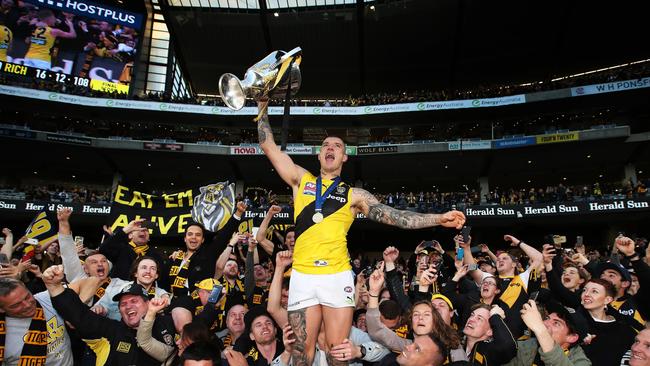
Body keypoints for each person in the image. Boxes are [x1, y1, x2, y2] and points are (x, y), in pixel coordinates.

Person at [256, 99, 465, 366]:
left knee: (338, 352)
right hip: (303, 275)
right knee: (301, 353)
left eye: (337, 146)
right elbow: (267, 145)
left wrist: (438, 218)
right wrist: (262, 107)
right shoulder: (300, 179)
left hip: (336, 275)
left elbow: (395, 217)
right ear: (319, 156)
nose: (330, 148)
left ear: (344, 157)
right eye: (325, 146)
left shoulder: (355, 195)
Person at [42, 265, 176, 365]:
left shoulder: (166, 324)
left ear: (148, 304)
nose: (128, 306)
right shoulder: (110, 331)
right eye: (123, 304)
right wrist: (55, 287)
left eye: (134, 301)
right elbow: (79, 315)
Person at [0, 277, 73, 365]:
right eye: (16, 305)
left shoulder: (46, 299)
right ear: (1, 309)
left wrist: (72, 312)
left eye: (27, 297)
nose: (27, 305)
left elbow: (89, 282)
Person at [504, 300, 591, 366]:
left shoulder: (580, 360)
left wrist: (541, 330)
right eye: (546, 318)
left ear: (572, 337)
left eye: (556, 323)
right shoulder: (528, 345)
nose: (544, 323)